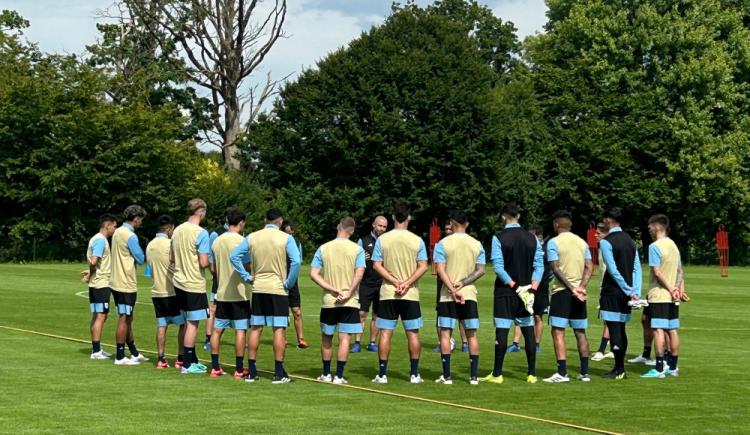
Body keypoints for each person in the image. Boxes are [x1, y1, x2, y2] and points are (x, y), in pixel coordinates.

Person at [230, 208, 301, 384]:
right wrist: (289, 282)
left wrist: (246, 276)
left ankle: (252, 371)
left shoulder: (253, 236)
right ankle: (278, 372)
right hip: (277, 288)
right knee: (279, 329)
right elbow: (297, 261)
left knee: (256, 328)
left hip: (259, 288)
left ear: (264, 220)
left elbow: (234, 256)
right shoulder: (286, 238)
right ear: (280, 221)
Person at [481, 203, 543, 384]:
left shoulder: (498, 238)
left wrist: (514, 286)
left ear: (503, 217)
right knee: (528, 330)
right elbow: (539, 266)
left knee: (502, 330)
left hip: (506, 291)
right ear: (519, 216)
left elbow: (498, 268)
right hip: (528, 291)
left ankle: (497, 373)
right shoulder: (533, 239)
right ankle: (531, 374)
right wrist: (532, 288)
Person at [371, 203, 429, 384]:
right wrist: (407, 282)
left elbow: (376, 264)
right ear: (409, 217)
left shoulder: (383, 239)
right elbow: (423, 266)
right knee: (412, 333)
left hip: (389, 292)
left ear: (393, 217)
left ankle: (382, 374)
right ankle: (414, 374)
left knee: (385, 333)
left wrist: (395, 281)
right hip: (409, 294)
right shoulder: (417, 240)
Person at [310, 217, 366, 384]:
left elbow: (313, 274)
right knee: (345, 338)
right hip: (349, 301)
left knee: (327, 338)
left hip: (330, 300)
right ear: (352, 231)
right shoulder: (357, 249)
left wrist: (331, 289)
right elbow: (359, 273)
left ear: (338, 226)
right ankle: (339, 376)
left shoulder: (324, 248)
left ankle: (326, 374)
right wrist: (348, 291)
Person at [433, 210, 485, 385]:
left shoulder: (443, 243)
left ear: (452, 224)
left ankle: (447, 376)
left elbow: (440, 269)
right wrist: (463, 283)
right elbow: (481, 270)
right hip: (469, 294)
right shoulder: (477, 244)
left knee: (446, 334)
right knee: (472, 335)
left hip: (448, 295)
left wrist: (452, 288)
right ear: (467, 224)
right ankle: (473, 376)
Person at [542, 210, 594, 383]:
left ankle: (562, 372)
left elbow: (556, 268)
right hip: (579, 292)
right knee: (580, 332)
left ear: (556, 224)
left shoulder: (553, 243)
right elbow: (589, 266)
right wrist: (581, 287)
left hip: (562, 292)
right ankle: (585, 373)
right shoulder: (582, 242)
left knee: (558, 331)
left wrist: (572, 288)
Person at [599, 207, 642, 379]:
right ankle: (620, 367)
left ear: (609, 221)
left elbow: (613, 270)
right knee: (621, 329)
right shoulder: (631, 241)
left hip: (613, 291)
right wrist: (635, 291)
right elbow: (636, 268)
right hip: (628, 293)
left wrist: (626, 289)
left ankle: (619, 369)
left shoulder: (606, 242)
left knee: (614, 328)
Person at [641, 214, 685, 378]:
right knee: (672, 330)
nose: (649, 230)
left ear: (657, 226)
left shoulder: (655, 246)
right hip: (672, 297)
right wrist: (677, 290)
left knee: (658, 330)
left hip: (659, 295)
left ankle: (659, 368)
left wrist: (670, 288)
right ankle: (673, 367)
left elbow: (657, 272)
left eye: (650, 227)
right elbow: (680, 270)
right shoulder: (674, 245)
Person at [209, 207, 251, 379]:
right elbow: (248, 266)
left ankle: (214, 367)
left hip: (222, 292)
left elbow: (212, 268)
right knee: (240, 330)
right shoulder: (242, 241)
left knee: (217, 330)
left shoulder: (217, 241)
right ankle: (239, 369)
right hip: (239, 293)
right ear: (241, 223)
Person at [172, 199, 211, 374]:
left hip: (178, 281)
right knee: (193, 323)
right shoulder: (201, 233)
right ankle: (187, 364)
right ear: (201, 212)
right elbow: (203, 262)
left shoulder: (177, 230)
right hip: (193, 282)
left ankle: (185, 358)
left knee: (184, 322)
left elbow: (172, 258)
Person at [110, 205, 148, 365]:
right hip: (125, 283)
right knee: (124, 318)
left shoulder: (117, 232)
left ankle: (133, 351)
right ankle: (120, 355)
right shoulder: (130, 236)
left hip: (116, 281)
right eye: (141, 220)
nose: (141, 223)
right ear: (136, 218)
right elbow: (140, 258)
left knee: (128, 317)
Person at [145, 215, 186, 369]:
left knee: (161, 325)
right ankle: (180, 358)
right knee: (183, 325)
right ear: (169, 229)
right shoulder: (170, 244)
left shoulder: (150, 245)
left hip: (157, 291)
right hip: (172, 291)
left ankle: (161, 358)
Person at [508, 224, 551, 354]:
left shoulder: (545, 250)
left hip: (540, 288)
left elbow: (550, 270)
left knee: (537, 316)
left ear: (537, 235)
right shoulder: (527, 248)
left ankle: (536, 344)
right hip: (525, 286)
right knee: (520, 313)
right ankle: (515, 343)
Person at [82, 213, 118, 360]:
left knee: (97, 315)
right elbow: (94, 260)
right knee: (100, 316)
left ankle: (97, 348)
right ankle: (96, 351)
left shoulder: (97, 239)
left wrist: (90, 274)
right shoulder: (100, 240)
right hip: (101, 284)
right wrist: (90, 272)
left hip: (96, 283)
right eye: (114, 226)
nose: (115, 230)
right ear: (107, 225)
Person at [353, 216, 388, 353]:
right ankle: (357, 342)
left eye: (384, 227)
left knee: (376, 315)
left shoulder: (387, 242)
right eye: (380, 226)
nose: (382, 229)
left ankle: (372, 342)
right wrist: (361, 257)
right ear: (374, 225)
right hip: (366, 283)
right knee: (361, 313)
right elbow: (354, 259)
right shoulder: (363, 240)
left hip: (382, 284)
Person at [204, 209, 231, 351]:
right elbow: (209, 256)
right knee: (213, 307)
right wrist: (214, 273)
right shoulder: (216, 233)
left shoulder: (240, 233)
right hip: (219, 276)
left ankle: (238, 336)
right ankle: (208, 338)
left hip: (232, 277)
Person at [282, 219, 308, 349]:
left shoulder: (297, 243)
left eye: (292, 227)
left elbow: (299, 261)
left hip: (292, 282)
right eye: (289, 226)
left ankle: (301, 339)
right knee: (283, 312)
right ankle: (282, 338)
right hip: (280, 281)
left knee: (296, 311)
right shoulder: (279, 241)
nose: (291, 228)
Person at [591, 223, 615, 361]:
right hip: (603, 287)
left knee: (608, 319)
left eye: (599, 233)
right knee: (607, 319)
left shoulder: (608, 247)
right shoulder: (601, 248)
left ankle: (601, 350)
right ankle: (612, 348)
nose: (596, 235)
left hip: (609, 288)